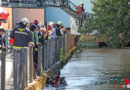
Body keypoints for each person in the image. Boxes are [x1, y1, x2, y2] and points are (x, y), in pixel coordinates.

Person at [10, 18, 33, 90]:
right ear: (26, 24)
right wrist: (32, 44)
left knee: (15, 63)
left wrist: (12, 45)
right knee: (22, 65)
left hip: (15, 49)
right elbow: (30, 41)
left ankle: (14, 75)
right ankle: (20, 84)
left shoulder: (15, 29)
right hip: (23, 50)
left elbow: (11, 37)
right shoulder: (27, 31)